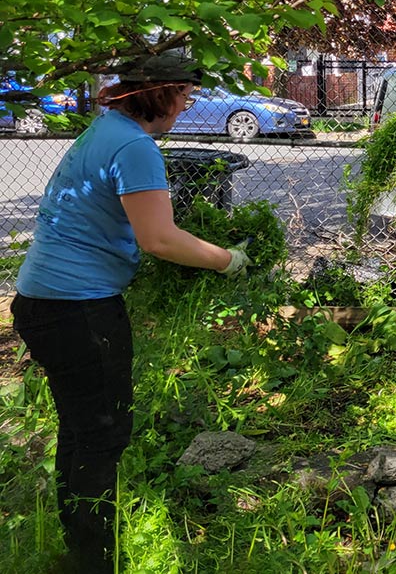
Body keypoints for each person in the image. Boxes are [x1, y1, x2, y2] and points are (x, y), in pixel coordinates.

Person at [11, 54, 251, 573]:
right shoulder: (135, 145)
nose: (188, 105)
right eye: (184, 95)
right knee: (101, 434)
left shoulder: (106, 130)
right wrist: (228, 260)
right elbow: (160, 239)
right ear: (159, 95)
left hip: (42, 301)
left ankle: (80, 551)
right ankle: (95, 562)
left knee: (80, 430)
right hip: (80, 310)